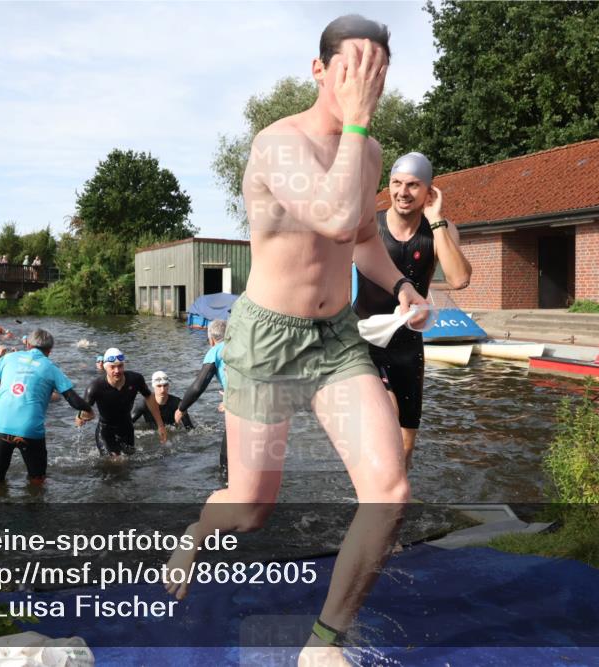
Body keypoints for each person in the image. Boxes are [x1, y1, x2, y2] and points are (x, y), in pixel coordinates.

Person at [164, 15, 426, 665]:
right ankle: (199, 528)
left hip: (335, 339)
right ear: (320, 70)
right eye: (352, 68)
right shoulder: (277, 144)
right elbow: (335, 215)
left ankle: (323, 643)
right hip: (266, 342)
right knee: (251, 508)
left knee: (389, 489)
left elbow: (362, 236)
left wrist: (401, 289)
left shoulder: (365, 151)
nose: (365, 83)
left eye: (377, 71)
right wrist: (360, 121)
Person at [353, 151, 471, 470]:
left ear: (429, 191)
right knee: (386, 416)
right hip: (366, 338)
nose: (403, 192)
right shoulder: (368, 227)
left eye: (413, 185)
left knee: (407, 439)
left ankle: (395, 500)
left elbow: (460, 278)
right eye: (396, 183)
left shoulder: (440, 229)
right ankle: (372, 490)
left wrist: (436, 220)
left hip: (408, 344)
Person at [0, 328, 92, 484]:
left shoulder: (7, 358)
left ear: (27, 345)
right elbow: (73, 399)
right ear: (49, 351)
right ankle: (35, 505)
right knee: (37, 480)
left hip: (1, 427)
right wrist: (89, 409)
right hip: (30, 431)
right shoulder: (52, 368)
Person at [76, 348, 167, 457]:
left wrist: (160, 425)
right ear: (105, 368)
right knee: (115, 462)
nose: (117, 370)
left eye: (120, 366)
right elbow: (81, 415)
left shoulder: (135, 379)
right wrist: (82, 417)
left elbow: (149, 397)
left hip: (126, 427)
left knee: (129, 462)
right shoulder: (95, 387)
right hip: (105, 430)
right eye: (112, 367)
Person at [175, 319, 229, 467]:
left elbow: (198, 386)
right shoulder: (241, 346)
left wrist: (181, 408)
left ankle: (227, 486)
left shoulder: (216, 351)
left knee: (226, 463)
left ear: (211, 340)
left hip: (241, 409)